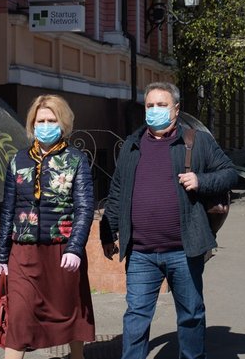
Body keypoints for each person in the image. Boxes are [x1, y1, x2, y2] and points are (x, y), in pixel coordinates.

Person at [100, 81, 237, 359]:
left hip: (184, 250)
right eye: (150, 105)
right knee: (136, 317)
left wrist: (201, 180)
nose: (154, 110)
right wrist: (107, 232)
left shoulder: (196, 141)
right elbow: (117, 192)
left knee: (190, 315)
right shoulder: (132, 144)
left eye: (161, 105)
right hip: (140, 252)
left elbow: (230, 173)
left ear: (175, 109)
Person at [0, 94, 95, 359]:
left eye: (52, 120)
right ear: (32, 124)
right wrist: (2, 254)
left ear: (63, 124)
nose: (46, 125)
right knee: (18, 317)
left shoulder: (76, 160)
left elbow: (85, 208)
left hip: (62, 252)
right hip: (24, 253)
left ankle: (78, 356)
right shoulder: (18, 160)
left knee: (70, 313)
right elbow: (8, 209)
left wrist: (75, 248)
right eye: (41, 120)